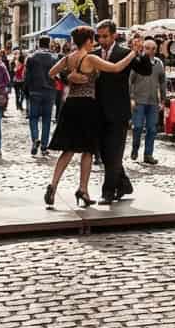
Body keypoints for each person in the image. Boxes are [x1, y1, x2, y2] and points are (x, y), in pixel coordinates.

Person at [44, 26, 136, 207]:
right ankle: (83, 190)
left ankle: (53, 185)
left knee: (68, 150)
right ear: (87, 40)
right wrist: (133, 53)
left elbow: (51, 73)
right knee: (87, 150)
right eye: (93, 38)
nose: (95, 40)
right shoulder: (91, 57)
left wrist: (68, 78)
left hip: (70, 105)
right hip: (87, 106)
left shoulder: (68, 58)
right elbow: (116, 68)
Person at [90, 20, 143, 203]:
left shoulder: (124, 53)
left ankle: (108, 192)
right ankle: (124, 184)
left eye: (105, 36)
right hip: (98, 111)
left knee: (114, 152)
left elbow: (144, 69)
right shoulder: (94, 54)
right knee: (104, 153)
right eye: (99, 36)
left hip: (118, 111)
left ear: (114, 35)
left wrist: (140, 52)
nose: (102, 40)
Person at [130, 38, 164, 165]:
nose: (151, 51)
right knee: (137, 127)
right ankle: (135, 148)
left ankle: (148, 154)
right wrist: (131, 97)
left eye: (153, 48)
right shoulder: (138, 62)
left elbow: (162, 81)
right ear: (143, 49)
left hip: (153, 101)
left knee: (152, 129)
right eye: (148, 48)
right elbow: (130, 80)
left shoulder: (159, 63)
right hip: (139, 100)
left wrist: (163, 99)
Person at [25, 37, 60, 156]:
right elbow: (57, 75)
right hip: (49, 91)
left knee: (33, 118)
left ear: (38, 44)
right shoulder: (54, 57)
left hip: (35, 91)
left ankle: (35, 139)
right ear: (49, 44)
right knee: (46, 119)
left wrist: (26, 91)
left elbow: (27, 76)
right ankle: (44, 146)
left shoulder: (31, 57)